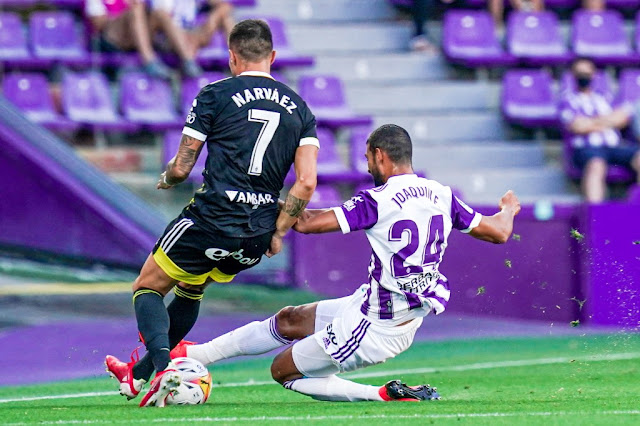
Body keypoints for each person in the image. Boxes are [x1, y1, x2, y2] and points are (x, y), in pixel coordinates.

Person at [169, 124, 521, 402]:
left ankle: (384, 395)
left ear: (381, 156)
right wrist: (508, 209)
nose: (367, 166)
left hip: (378, 326)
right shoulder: (443, 195)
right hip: (378, 305)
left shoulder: (379, 199)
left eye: (369, 159)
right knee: (290, 318)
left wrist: (253, 197)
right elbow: (499, 232)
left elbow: (305, 223)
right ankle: (193, 353)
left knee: (284, 371)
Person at [105, 19, 319, 407]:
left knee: (147, 286)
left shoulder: (215, 94)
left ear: (233, 57)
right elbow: (305, 183)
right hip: (256, 232)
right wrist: (279, 232)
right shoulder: (301, 108)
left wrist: (169, 177)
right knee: (192, 286)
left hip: (211, 218)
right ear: (272, 57)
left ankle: (165, 368)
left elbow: (184, 165)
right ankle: (136, 376)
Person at [560, 58, 640, 203]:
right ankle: (595, 214)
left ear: (594, 74)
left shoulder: (605, 98)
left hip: (615, 147)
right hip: (587, 148)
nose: (584, 76)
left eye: (587, 72)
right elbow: (578, 126)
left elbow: (622, 118)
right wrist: (608, 121)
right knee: (596, 165)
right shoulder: (568, 100)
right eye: (580, 73)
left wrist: (590, 121)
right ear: (573, 75)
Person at [85, 0, 172, 79]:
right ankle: (150, 61)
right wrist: (123, 16)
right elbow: (99, 24)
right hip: (108, 39)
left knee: (160, 14)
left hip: (133, 38)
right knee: (136, 11)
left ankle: (185, 59)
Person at [148, 0, 234, 77]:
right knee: (163, 16)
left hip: (192, 32)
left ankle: (238, 60)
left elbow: (225, 6)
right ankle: (188, 62)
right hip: (167, 36)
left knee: (225, 17)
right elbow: (159, 17)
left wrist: (211, 21)